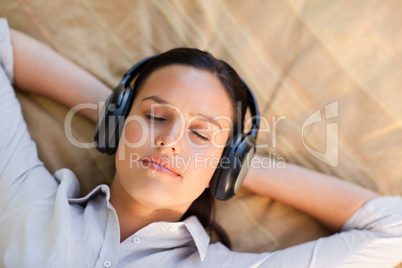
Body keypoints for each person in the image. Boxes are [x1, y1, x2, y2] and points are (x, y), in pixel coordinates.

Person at [1, 18, 401, 267]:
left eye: (199, 134)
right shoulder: (25, 200)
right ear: (119, 123)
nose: (170, 141)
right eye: (155, 117)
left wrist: (236, 162)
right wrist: (109, 113)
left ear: (223, 166)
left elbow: (393, 229)